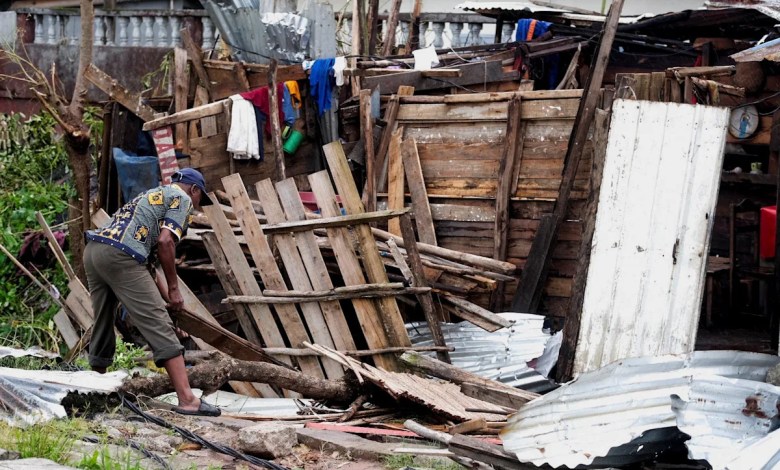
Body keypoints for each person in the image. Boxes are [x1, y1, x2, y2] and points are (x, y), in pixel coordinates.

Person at [83, 168, 221, 417]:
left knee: (103, 322)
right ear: (194, 189)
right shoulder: (182, 198)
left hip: (95, 252)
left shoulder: (151, 196)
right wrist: (175, 289)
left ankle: (94, 391)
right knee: (158, 324)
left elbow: (148, 269)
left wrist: (172, 302)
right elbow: (165, 242)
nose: (197, 206)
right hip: (121, 256)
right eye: (200, 199)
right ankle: (188, 400)